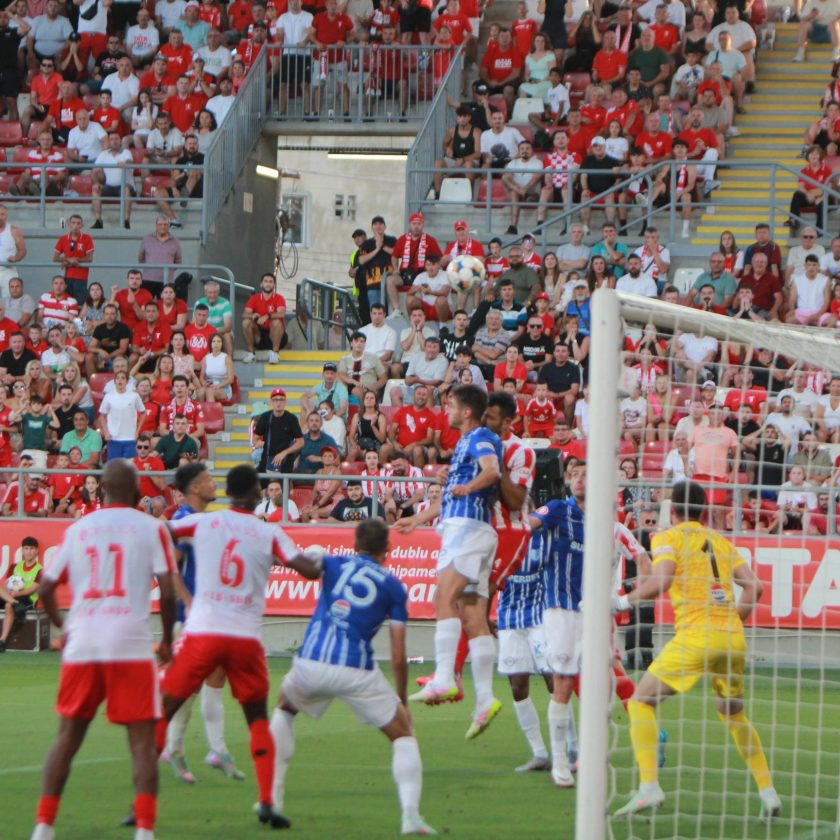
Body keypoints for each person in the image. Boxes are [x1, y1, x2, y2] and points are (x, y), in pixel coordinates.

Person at [613, 480, 781, 820]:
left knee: (641, 702)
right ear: (703, 511)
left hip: (696, 636)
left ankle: (649, 786)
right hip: (732, 638)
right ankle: (769, 794)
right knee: (734, 715)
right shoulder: (720, 540)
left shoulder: (667, 537)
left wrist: (620, 601)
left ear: (672, 510)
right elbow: (755, 587)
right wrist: (730, 622)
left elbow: (661, 581)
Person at [30, 460, 177, 840]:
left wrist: (65, 627)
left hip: (84, 642)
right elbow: (168, 589)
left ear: (102, 489)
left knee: (67, 737)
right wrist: (166, 640)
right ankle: (144, 831)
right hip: (130, 643)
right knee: (142, 742)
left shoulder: (78, 529)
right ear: (136, 490)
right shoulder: (152, 528)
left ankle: (44, 826)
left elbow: (45, 588)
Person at [159, 464, 304, 829]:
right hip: (243, 637)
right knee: (257, 719)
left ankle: (143, 797)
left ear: (228, 492)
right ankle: (267, 800)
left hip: (204, 631)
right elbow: (305, 566)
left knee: (167, 706)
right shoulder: (268, 532)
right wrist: (327, 564)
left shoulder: (203, 523)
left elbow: (161, 531)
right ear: (256, 492)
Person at [271, 518, 434, 835]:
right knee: (402, 734)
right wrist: (402, 700)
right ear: (388, 548)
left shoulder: (332, 563)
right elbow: (398, 654)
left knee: (284, 708)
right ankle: (410, 816)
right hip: (356, 669)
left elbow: (303, 564)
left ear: (354, 544)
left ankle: (272, 797)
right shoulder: (394, 587)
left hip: (311, 662)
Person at [408, 385, 503, 739]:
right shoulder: (466, 442)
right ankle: (485, 699)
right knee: (473, 617)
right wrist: (418, 519)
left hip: (467, 528)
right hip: (471, 529)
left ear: (466, 411)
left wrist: (469, 487)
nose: (445, 410)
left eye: (450, 405)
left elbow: (491, 471)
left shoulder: (479, 437)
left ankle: (445, 677)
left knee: (442, 598)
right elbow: (455, 491)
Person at [160, 462, 246, 786]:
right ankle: (173, 746)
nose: (213, 483)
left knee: (216, 678)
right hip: (192, 620)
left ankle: (215, 748)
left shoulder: (204, 520)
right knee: (189, 686)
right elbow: (170, 567)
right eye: (208, 479)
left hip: (212, 617)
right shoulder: (184, 520)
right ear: (194, 488)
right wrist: (187, 600)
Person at [525, 459, 587, 787]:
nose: (580, 480)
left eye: (586, 475)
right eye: (574, 475)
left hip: (592, 613)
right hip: (561, 609)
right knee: (563, 682)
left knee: (599, 684)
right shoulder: (559, 509)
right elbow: (531, 523)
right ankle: (560, 761)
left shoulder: (604, 521)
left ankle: (587, 751)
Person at [0, 535, 42, 652]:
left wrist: (14, 595)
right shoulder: (14, 566)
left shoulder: (40, 570)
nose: (29, 552)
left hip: (28, 600)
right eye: (26, 549)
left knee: (9, 605)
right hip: (13, 597)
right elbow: (5, 585)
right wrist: (9, 592)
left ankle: (2, 641)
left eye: (32, 549)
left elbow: (32, 589)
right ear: (22, 551)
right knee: (8, 601)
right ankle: (15, 603)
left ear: (37, 551)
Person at [253, 387, 304, 475]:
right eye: (275, 400)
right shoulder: (265, 417)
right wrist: (259, 443)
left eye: (281, 399)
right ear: (271, 402)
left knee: (280, 483)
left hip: (285, 463)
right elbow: (255, 438)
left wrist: (284, 452)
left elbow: (301, 442)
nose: (278, 402)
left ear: (285, 402)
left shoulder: (291, 419)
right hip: (266, 461)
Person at [92, 130, 136, 229]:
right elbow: (95, 170)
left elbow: (130, 162)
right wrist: (97, 182)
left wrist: (125, 163)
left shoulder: (126, 152)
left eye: (116, 139)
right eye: (112, 139)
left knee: (126, 189)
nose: (114, 141)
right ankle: (98, 221)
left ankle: (126, 221)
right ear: (109, 141)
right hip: (108, 186)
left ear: (120, 141)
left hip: (124, 186)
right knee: (95, 189)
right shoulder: (103, 154)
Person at [241, 272, 287, 364]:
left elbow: (282, 313)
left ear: (274, 284)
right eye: (265, 281)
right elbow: (245, 314)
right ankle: (251, 354)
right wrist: (253, 315)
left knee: (276, 322)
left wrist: (268, 316)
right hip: (259, 336)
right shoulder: (254, 298)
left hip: (276, 336)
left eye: (271, 282)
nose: (268, 284)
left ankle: (275, 354)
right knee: (246, 322)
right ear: (261, 284)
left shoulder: (279, 298)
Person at [138, 216, 182, 296]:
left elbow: (178, 261)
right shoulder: (147, 239)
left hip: (167, 281)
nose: (163, 227)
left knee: (166, 303)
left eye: (165, 224)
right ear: (156, 225)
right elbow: (141, 258)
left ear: (169, 226)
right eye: (160, 224)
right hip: (148, 279)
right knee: (146, 302)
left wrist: (169, 270)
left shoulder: (175, 241)